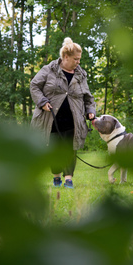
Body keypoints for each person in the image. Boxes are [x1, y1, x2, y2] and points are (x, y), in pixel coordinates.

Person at [30, 37, 96, 189]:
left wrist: (90, 111)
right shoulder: (49, 69)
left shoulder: (81, 75)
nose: (78, 62)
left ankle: (68, 180)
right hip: (50, 119)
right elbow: (34, 86)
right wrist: (42, 102)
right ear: (66, 57)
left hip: (73, 120)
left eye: (79, 59)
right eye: (76, 59)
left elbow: (88, 97)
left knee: (70, 149)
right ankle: (56, 178)